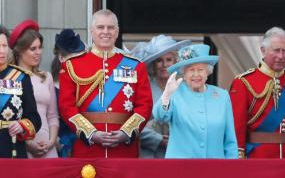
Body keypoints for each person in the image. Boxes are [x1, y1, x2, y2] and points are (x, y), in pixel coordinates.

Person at [59, 9, 153, 158]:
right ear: (91, 31)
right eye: (100, 27)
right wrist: (91, 133)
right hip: (87, 149)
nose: (106, 32)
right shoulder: (72, 66)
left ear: (117, 31)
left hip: (124, 150)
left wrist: (126, 132)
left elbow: (145, 105)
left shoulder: (136, 66)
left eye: (110, 27)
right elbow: (66, 107)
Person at [229, 27, 285, 159]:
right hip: (257, 159)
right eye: (276, 50)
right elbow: (237, 127)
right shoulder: (243, 82)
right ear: (263, 51)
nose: (281, 56)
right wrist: (239, 158)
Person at [153, 44, 237, 158]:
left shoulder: (222, 96)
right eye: (191, 70)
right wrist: (166, 94)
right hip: (180, 168)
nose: (196, 75)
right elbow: (159, 116)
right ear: (184, 73)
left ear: (208, 72)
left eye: (201, 70)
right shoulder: (175, 93)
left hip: (215, 168)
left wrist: (231, 169)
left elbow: (230, 140)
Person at [0, 24, 41, 158]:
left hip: (12, 150)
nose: (2, 51)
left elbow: (34, 117)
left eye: (5, 46)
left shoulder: (21, 77)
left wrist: (22, 125)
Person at [132, 35, 191, 158]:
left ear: (176, 62)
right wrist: (158, 139)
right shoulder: (144, 88)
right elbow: (132, 123)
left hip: (180, 153)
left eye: (169, 59)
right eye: (159, 60)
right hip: (149, 155)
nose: (164, 64)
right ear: (153, 65)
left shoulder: (185, 89)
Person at [10, 20, 59, 158]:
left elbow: (53, 116)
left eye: (40, 47)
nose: (38, 52)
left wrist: (51, 142)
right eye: (33, 49)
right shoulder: (10, 79)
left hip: (48, 148)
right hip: (21, 147)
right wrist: (28, 144)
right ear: (19, 50)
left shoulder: (46, 77)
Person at [51, 29, 86, 157]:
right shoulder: (51, 86)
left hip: (85, 144)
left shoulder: (87, 83)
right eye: (74, 57)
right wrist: (57, 142)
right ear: (61, 58)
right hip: (60, 148)